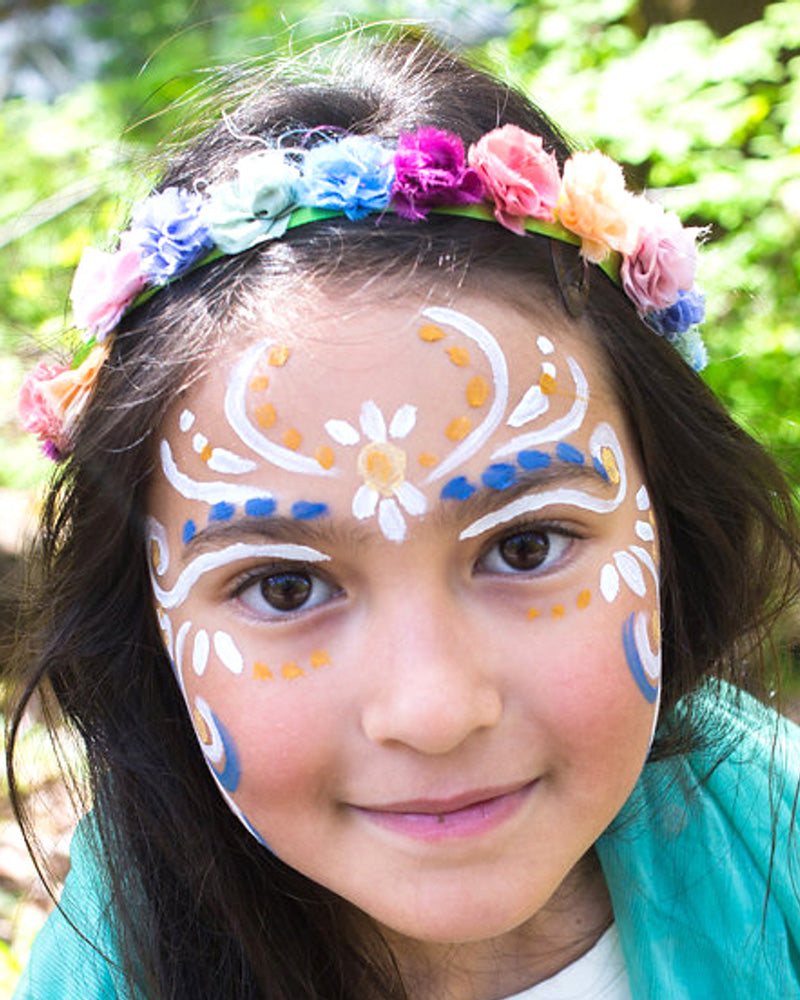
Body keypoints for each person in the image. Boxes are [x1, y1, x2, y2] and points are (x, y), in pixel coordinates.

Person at [7, 29, 800, 1000]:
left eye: (524, 544)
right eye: (283, 583)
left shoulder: (779, 836)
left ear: (667, 528)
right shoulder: (101, 977)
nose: (432, 710)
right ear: (149, 630)